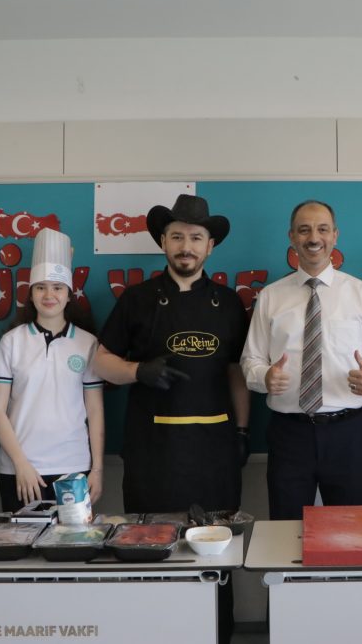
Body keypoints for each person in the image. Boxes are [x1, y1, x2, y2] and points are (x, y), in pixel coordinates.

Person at [93, 194, 248, 644]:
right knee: (149, 550)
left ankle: (219, 634)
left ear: (210, 246)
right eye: (177, 236)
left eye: (196, 238)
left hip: (215, 453)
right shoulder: (136, 299)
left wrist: (242, 430)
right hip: (152, 452)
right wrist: (138, 371)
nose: (186, 246)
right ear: (163, 241)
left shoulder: (229, 303)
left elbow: (237, 373)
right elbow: (100, 362)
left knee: (215, 558)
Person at [240, 200, 362, 520]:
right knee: (285, 526)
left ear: (335, 235)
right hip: (289, 433)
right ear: (292, 237)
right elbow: (250, 359)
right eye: (304, 230)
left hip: (348, 432)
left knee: (351, 529)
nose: (314, 238)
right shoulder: (270, 296)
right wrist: (263, 377)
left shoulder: (361, 293)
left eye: (322, 229)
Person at [0, 228, 105, 513]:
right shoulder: (11, 341)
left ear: (69, 294)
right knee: (21, 540)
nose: (49, 295)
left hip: (74, 468)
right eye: (41, 287)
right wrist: (21, 463)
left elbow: (95, 410)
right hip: (20, 471)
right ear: (31, 294)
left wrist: (97, 469)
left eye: (57, 288)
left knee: (74, 539)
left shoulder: (87, 343)